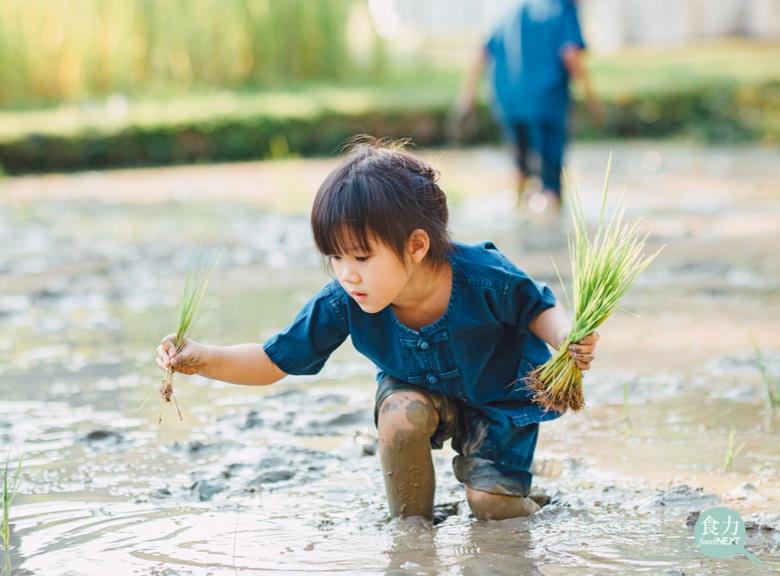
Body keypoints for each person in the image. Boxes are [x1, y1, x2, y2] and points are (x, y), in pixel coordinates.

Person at [155, 138, 599, 522]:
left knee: (490, 509)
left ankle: (530, 506)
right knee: (401, 415)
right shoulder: (343, 301)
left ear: (417, 245)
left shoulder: (482, 274)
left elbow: (537, 305)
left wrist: (567, 339)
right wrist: (204, 358)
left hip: (499, 398)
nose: (347, 274)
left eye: (362, 258)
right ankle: (411, 527)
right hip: (419, 395)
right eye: (336, 257)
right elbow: (274, 361)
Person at [458, 0, 603, 213]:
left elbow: (481, 53)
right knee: (550, 178)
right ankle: (551, 233)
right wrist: (592, 99)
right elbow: (570, 54)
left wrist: (466, 97)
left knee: (519, 169)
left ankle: (519, 211)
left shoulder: (511, 9)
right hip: (547, 102)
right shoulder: (563, 8)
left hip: (508, 103)